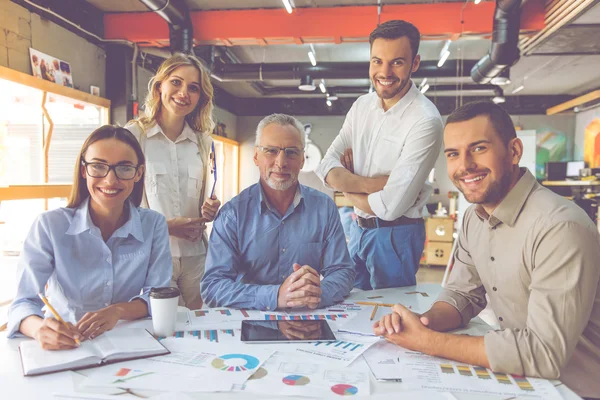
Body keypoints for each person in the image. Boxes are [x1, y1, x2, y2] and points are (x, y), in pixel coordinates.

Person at [374, 101, 600, 399]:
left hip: (575, 388)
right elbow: (462, 295)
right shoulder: (473, 217)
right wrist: (422, 322)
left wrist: (426, 341)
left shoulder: (559, 226)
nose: (464, 165)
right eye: (453, 154)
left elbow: (544, 353)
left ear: (514, 152)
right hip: (523, 380)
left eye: (478, 148)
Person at [7, 126, 172, 350]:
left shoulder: (154, 225)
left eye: (124, 168)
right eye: (98, 167)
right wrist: (39, 329)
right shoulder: (49, 226)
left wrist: (118, 310)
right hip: (68, 345)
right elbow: (23, 303)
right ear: (84, 170)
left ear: (138, 173)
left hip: (131, 344)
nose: (110, 180)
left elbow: (158, 296)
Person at [315, 20, 443, 290]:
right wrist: (370, 184)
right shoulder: (362, 106)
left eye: (397, 62)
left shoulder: (425, 120)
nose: (384, 72)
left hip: (396, 235)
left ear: (415, 63)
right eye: (377, 61)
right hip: (358, 228)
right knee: (353, 310)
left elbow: (390, 207)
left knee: (389, 320)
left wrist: (346, 187)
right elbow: (325, 166)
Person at [201, 114, 355, 310]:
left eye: (291, 152)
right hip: (250, 321)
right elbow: (213, 287)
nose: (281, 162)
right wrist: (276, 296)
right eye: (271, 151)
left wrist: (318, 293)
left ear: (302, 159)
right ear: (256, 156)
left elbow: (342, 271)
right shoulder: (232, 215)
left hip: (307, 319)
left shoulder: (324, 208)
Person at [126, 53, 220, 311]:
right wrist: (165, 226)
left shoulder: (204, 142)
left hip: (197, 257)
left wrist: (211, 207)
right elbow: (117, 205)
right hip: (153, 254)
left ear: (201, 97)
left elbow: (206, 196)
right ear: (160, 86)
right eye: (176, 83)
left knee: (200, 328)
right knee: (162, 329)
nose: (183, 93)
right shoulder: (134, 136)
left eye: (193, 88)